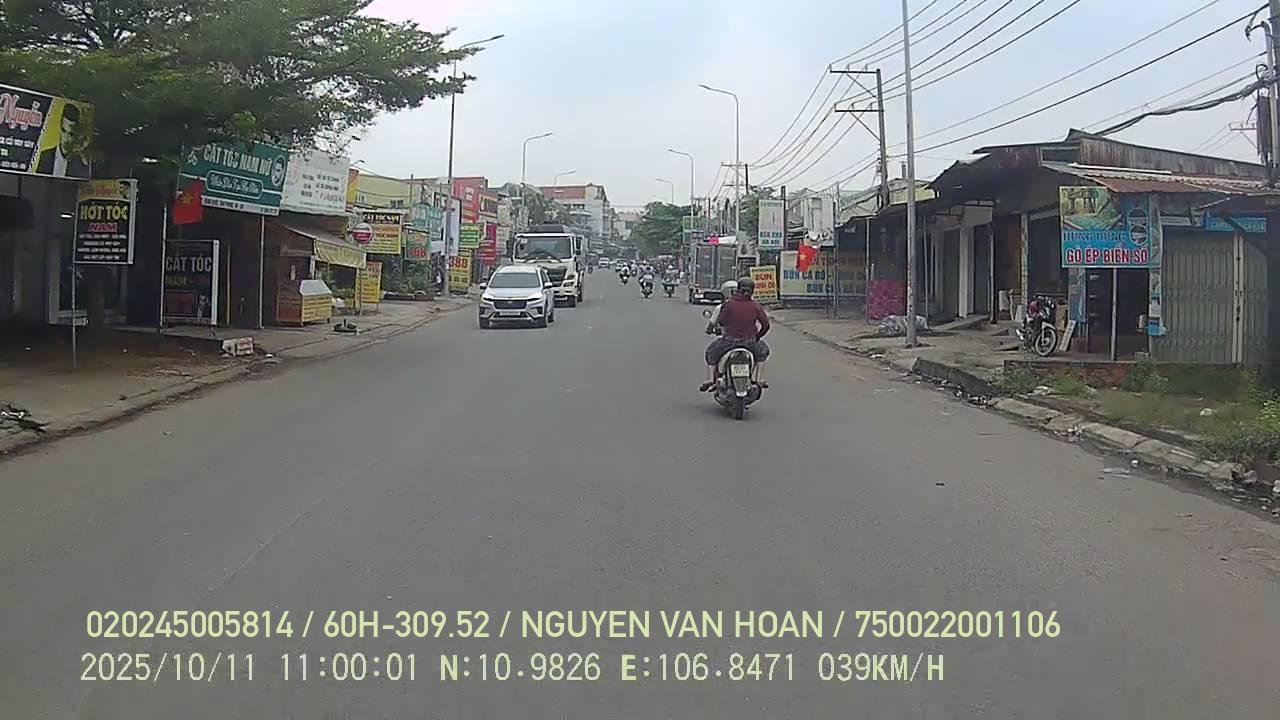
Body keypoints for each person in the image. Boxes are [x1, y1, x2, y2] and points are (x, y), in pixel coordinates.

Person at [701, 276, 770, 391]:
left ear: (738, 290)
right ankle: (759, 379)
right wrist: (757, 337)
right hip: (750, 342)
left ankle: (710, 380)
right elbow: (766, 325)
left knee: (711, 353)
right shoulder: (756, 306)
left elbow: (721, 320)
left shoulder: (729, 304)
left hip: (729, 341)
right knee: (763, 352)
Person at [35, 102, 90, 178]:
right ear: (59, 128)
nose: (66, 139)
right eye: (63, 131)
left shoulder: (80, 163)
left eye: (71, 134)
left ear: (76, 135)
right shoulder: (45, 156)